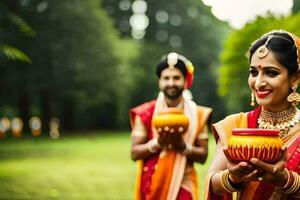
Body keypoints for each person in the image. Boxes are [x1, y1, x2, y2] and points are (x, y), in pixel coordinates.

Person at [204, 30, 300, 200]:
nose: (259, 82)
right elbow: (211, 182)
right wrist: (233, 178)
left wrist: (286, 180)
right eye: (254, 72)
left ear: (295, 78)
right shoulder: (235, 125)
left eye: (271, 73)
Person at [130, 52, 212, 200]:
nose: (171, 83)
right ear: (159, 81)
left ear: (185, 80)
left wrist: (182, 147)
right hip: (151, 184)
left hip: (184, 184)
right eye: (166, 78)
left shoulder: (198, 114)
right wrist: (158, 143)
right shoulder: (145, 113)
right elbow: (134, 153)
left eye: (176, 78)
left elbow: (203, 156)